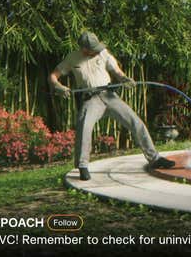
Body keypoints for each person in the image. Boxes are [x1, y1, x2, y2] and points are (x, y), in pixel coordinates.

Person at [49, 31, 175, 180]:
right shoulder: (72, 58)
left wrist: (124, 79)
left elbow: (117, 71)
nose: (96, 50)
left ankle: (154, 159)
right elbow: (53, 76)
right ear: (84, 49)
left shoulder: (103, 53)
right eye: (92, 49)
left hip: (109, 95)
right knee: (84, 127)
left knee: (136, 122)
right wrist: (58, 87)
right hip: (90, 99)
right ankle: (82, 165)